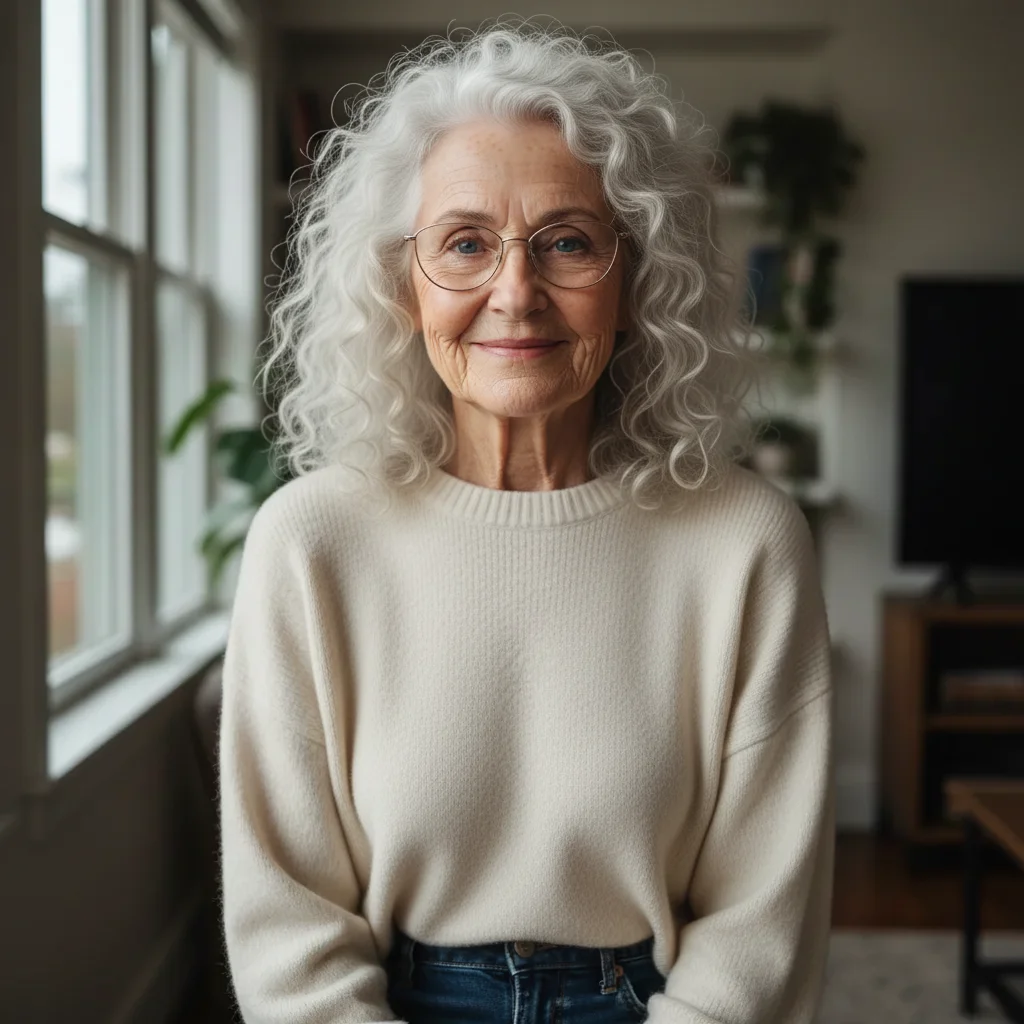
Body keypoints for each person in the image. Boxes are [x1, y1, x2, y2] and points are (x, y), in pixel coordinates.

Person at [218, 18, 836, 1024]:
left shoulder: (745, 541)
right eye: (464, 242)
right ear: (402, 285)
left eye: (566, 242)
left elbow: (761, 916)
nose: (515, 292)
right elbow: (287, 924)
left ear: (637, 280)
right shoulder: (311, 540)